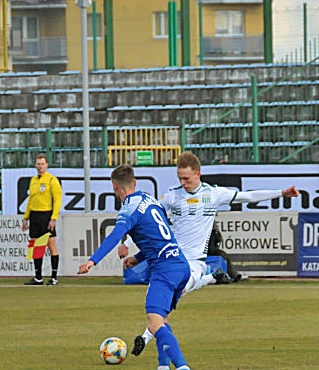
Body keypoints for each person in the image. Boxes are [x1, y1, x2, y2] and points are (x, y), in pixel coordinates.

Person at [121, 151, 298, 356]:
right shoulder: (171, 196)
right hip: (171, 260)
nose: (183, 182)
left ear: (198, 174)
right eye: (180, 178)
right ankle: (210, 279)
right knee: (161, 302)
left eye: (186, 178)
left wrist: (281, 193)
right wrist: (132, 250)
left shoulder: (213, 194)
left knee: (175, 294)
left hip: (195, 261)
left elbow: (247, 196)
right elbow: (147, 221)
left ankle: (145, 337)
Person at [78, 165, 195, 370]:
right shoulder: (151, 200)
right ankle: (163, 368)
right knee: (160, 320)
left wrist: (92, 260)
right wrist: (138, 258)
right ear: (135, 183)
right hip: (180, 266)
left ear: (114, 187)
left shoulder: (128, 209)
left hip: (165, 270)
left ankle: (183, 368)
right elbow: (161, 236)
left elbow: (114, 237)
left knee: (154, 320)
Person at [21, 153, 62, 285]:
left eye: (42, 164)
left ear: (47, 165)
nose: (40, 166)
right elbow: (30, 200)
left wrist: (53, 218)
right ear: (35, 165)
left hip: (46, 215)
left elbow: (57, 201)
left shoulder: (52, 180)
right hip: (34, 216)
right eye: (38, 164)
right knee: (36, 246)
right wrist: (26, 217)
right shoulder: (33, 180)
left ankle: (54, 277)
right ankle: (38, 277)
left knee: (51, 246)